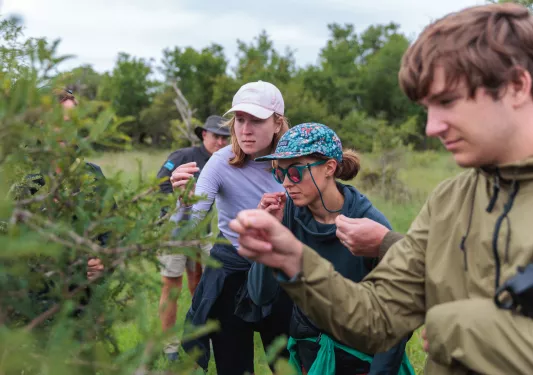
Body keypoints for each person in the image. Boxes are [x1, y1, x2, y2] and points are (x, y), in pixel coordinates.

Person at [229, 4, 533, 375]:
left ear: (517, 87)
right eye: (427, 108)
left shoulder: (369, 212)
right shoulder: (450, 200)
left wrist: (454, 327)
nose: (431, 127)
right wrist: (292, 259)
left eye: (447, 101)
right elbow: (377, 318)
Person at [247, 123, 413, 375]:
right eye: (279, 174)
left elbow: (398, 316)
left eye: (294, 172)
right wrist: (267, 235)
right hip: (310, 356)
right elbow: (260, 295)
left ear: (329, 168)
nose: (286, 184)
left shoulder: (368, 225)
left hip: (360, 361)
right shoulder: (289, 214)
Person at [174, 81, 293, 375]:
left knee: (290, 363)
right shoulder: (220, 161)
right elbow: (189, 225)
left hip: (281, 272)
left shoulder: (296, 163)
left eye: (256, 120)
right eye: (240, 119)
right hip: (231, 273)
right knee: (233, 365)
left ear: (277, 123)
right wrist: (184, 202)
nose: (245, 129)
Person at [155, 115, 229, 361]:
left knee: (202, 283)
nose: (220, 141)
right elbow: (160, 183)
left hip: (204, 233)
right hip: (175, 234)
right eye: (215, 136)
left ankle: (198, 336)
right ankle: (169, 348)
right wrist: (172, 212)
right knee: (171, 286)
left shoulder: (224, 160)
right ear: (204, 135)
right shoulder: (184, 156)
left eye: (224, 137)